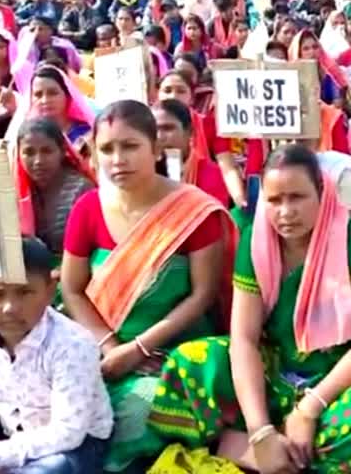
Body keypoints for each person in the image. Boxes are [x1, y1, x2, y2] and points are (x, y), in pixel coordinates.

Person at [148, 144, 351, 474]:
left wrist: (309, 409)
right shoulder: (255, 243)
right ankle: (268, 450)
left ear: (322, 191)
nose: (286, 212)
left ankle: (249, 451)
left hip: (342, 377)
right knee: (190, 363)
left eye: (297, 197)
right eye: (274, 200)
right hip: (273, 369)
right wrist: (260, 431)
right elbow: (243, 339)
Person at [60, 100, 235, 472]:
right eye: (106, 149)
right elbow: (72, 289)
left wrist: (138, 349)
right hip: (103, 351)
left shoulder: (192, 211)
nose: (117, 159)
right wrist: (111, 347)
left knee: (146, 403)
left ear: (155, 149)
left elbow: (202, 295)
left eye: (130, 146)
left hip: (175, 352)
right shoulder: (88, 208)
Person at [0, 237, 113, 473]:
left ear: (50, 291)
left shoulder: (72, 344)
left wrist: (4, 454)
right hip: (12, 430)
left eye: (24, 292)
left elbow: (67, 432)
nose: (10, 308)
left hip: (76, 445)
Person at [15, 118, 95, 258]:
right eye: (29, 152)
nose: (38, 161)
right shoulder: (16, 190)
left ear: (62, 150)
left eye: (47, 151)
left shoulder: (81, 190)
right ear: (19, 154)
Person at [153, 99, 228, 206]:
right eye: (154, 129)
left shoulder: (211, 174)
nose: (160, 136)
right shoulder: (142, 173)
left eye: (168, 128)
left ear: (189, 132)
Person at [5, 65, 95, 151]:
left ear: (67, 95)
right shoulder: (29, 137)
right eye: (38, 94)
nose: (45, 100)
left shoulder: (87, 134)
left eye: (53, 93)